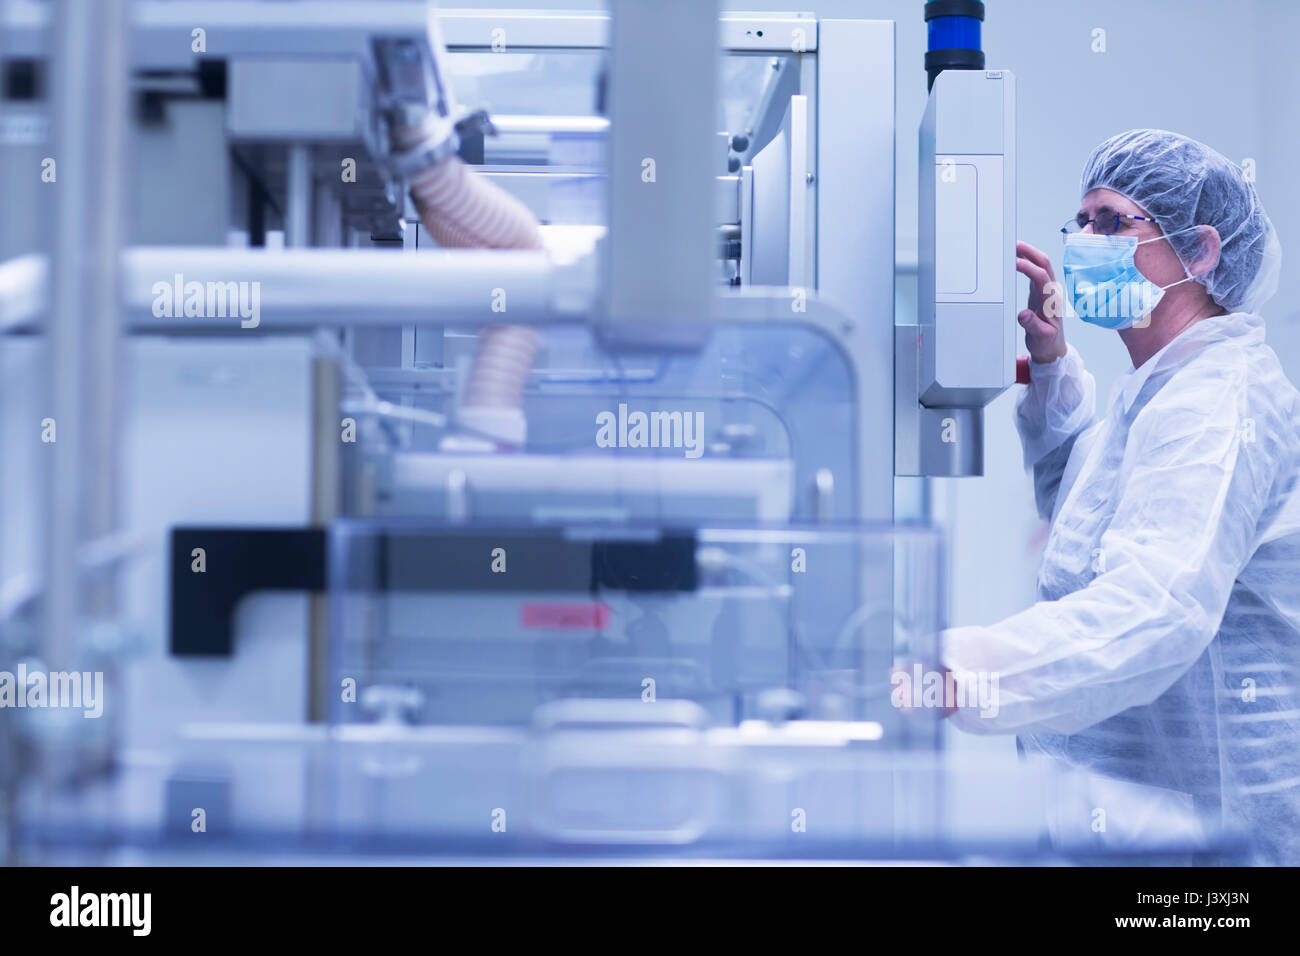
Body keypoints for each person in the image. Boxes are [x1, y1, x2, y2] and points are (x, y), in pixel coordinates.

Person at [943, 129, 1299, 864]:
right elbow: (1082, 525)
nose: (1084, 242)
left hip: (1208, 844)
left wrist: (956, 670)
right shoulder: (1159, 390)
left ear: (1200, 252)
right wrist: (1050, 364)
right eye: (1081, 223)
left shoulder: (1217, 405)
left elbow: (1154, 607)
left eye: (1112, 221)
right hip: (1131, 818)